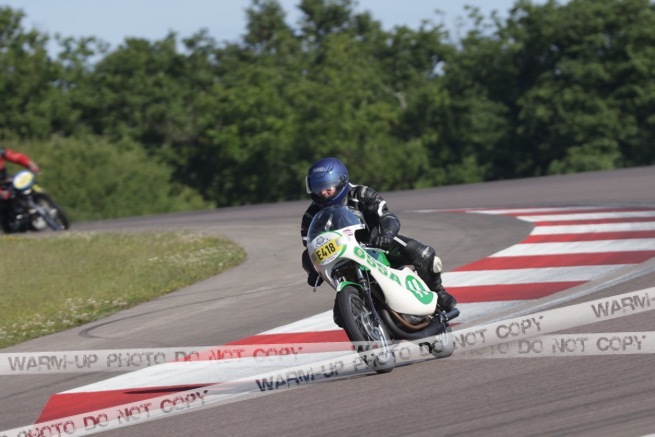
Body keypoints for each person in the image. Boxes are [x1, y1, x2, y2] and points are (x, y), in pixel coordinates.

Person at [300, 157, 457, 315]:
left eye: (327, 186)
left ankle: (439, 293)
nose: (322, 192)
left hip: (375, 243)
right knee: (339, 315)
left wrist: (385, 234)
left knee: (424, 255)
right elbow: (310, 247)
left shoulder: (361, 193)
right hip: (343, 257)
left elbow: (387, 217)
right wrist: (313, 270)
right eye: (318, 187)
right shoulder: (310, 216)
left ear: (341, 181)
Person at [0, 147, 41, 232]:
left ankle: (39, 203)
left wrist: (30, 164)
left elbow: (16, 157)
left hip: (6, 180)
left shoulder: (1, 152)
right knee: (4, 204)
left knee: (26, 186)